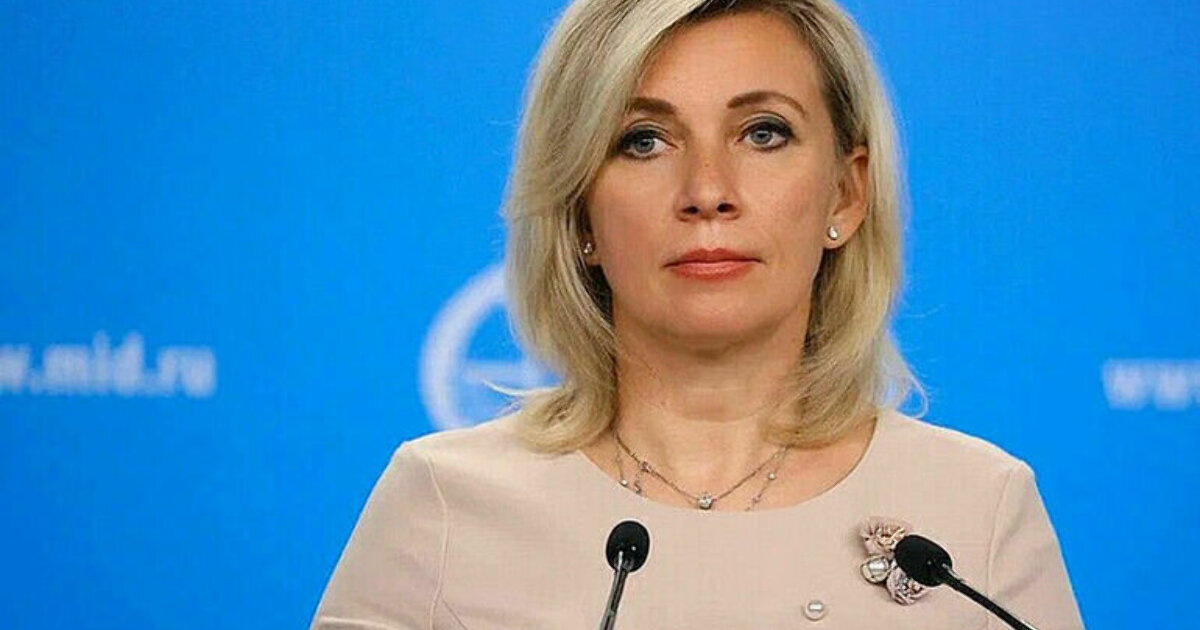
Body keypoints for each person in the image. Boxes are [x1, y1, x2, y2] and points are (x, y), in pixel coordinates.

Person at [309, 0, 1085, 628]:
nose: (708, 191)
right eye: (644, 140)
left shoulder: (975, 507)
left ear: (846, 194)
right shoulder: (443, 504)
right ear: (579, 213)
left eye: (763, 133)